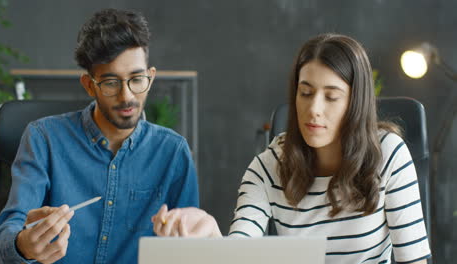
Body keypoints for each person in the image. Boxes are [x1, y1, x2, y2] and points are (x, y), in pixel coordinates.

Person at [152, 33, 431, 264]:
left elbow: (414, 260)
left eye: (331, 97)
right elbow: (239, 249)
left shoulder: (389, 154)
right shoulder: (269, 165)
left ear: (355, 103)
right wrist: (210, 236)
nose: (314, 110)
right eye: (305, 93)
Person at [0, 8, 199, 263]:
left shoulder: (173, 152)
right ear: (89, 85)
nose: (127, 96)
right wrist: (23, 245)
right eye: (111, 82)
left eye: (136, 79)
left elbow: (192, 247)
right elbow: (5, 237)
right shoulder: (42, 138)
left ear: (151, 76)